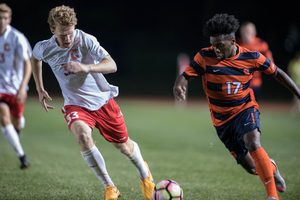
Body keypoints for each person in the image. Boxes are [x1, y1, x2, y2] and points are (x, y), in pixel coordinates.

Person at [31, 5, 154, 200]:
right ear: (52, 31)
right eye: (63, 35)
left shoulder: (86, 40)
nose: (68, 38)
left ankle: (145, 174)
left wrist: (86, 67)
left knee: (124, 147)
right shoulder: (45, 47)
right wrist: (39, 87)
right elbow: (35, 58)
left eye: (70, 33)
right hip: (75, 104)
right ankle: (110, 187)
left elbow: (112, 65)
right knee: (82, 137)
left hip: (103, 102)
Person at [173, 13, 300, 200]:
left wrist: (298, 93)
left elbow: (277, 73)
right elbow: (186, 75)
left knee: (253, 143)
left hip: (244, 108)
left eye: (220, 45)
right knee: (251, 167)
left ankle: (272, 196)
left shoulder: (252, 56)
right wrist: (178, 84)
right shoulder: (204, 56)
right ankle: (271, 168)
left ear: (233, 41)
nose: (215, 49)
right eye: (213, 44)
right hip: (221, 120)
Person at [0, 3, 31, 169]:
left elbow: (28, 63)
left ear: (9, 19)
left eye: (4, 18)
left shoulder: (17, 37)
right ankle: (22, 157)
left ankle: (15, 130)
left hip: (15, 88)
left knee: (17, 122)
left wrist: (22, 87)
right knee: (3, 117)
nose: (1, 21)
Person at [237, 21, 274, 101]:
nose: (247, 34)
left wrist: (258, 66)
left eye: (249, 31)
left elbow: (270, 63)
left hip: (255, 83)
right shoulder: (236, 44)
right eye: (245, 31)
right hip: (239, 84)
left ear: (254, 32)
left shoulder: (261, 44)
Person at [287, 51, 300, 115]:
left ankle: (295, 109)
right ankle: (295, 109)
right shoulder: (294, 63)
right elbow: (291, 72)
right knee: (296, 97)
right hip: (296, 83)